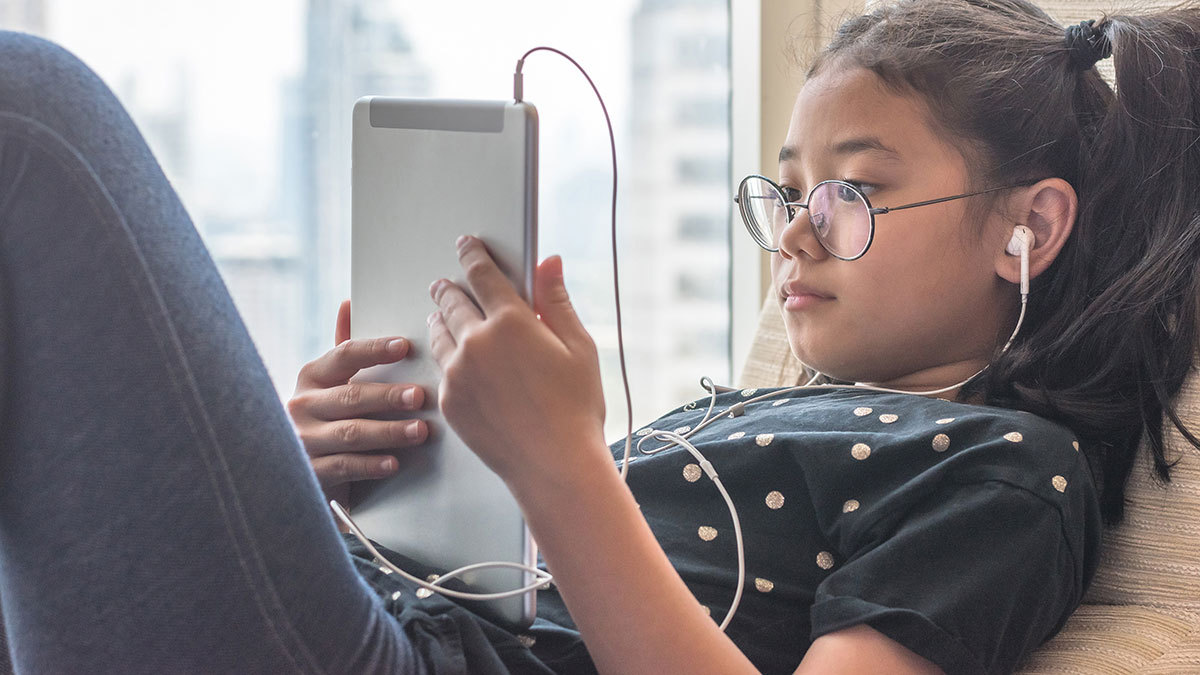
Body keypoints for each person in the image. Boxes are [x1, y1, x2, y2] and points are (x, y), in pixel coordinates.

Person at [2, 0, 1199, 672]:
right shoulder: (753, 407)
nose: (793, 235)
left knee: (33, 118)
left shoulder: (1001, 473)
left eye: (852, 192)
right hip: (369, 609)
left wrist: (562, 464)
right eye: (787, 192)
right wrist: (308, 478)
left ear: (1026, 228)